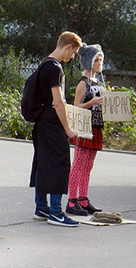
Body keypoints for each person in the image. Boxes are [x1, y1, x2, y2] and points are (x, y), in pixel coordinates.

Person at [30, 31, 82, 227]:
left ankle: (41, 207)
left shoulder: (43, 64)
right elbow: (58, 102)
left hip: (41, 122)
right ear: (67, 46)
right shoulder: (55, 68)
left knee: (43, 163)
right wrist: (67, 128)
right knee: (60, 164)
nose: (73, 56)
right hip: (53, 123)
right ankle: (56, 212)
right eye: (74, 52)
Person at [66, 44, 106, 216]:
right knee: (78, 165)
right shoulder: (83, 83)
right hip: (84, 127)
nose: (99, 63)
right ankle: (71, 200)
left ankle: (83, 198)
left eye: (101, 60)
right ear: (89, 62)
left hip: (96, 127)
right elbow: (76, 106)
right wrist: (91, 103)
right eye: (96, 60)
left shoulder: (98, 81)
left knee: (88, 166)